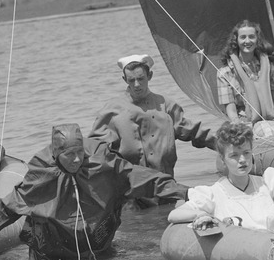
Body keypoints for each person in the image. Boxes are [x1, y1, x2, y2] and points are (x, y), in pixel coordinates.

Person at [0, 123, 189, 260]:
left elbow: (140, 177)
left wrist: (185, 192)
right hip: (52, 254)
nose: (76, 159)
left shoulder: (100, 163)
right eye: (69, 155)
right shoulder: (42, 173)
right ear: (56, 155)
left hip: (99, 245)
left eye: (79, 153)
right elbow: (15, 205)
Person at [89, 53, 216, 181]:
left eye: (141, 78)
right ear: (124, 79)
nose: (137, 84)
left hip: (165, 183)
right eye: (131, 80)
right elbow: (94, 149)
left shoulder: (166, 105)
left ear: (150, 76)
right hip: (129, 186)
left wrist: (223, 145)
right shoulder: (112, 109)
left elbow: (193, 131)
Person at [215, 20, 274, 137]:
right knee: (265, 131)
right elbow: (231, 112)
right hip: (247, 123)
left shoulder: (267, 66)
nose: (247, 41)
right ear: (236, 41)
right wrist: (241, 132)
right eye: (243, 37)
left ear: (257, 39)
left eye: (251, 37)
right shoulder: (224, 73)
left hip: (271, 119)